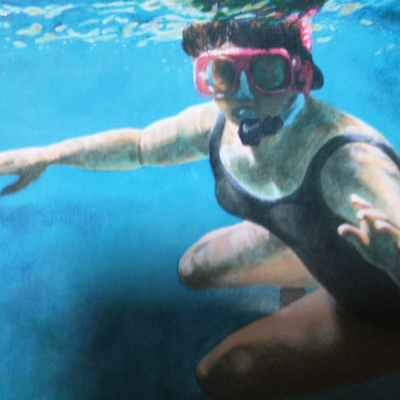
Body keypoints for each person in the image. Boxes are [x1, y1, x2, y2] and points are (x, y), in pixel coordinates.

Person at [1, 16, 400, 400]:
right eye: (224, 73)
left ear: (302, 75)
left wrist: (392, 258)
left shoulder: (351, 163)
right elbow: (138, 146)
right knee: (196, 266)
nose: (243, 93)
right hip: (326, 247)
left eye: (266, 72)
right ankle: (308, 278)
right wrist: (46, 155)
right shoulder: (217, 125)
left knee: (223, 373)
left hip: (381, 307)